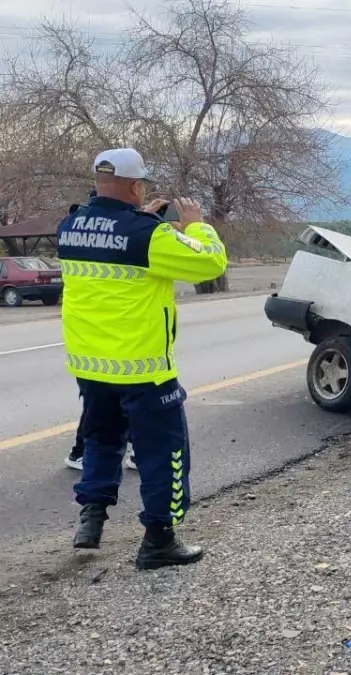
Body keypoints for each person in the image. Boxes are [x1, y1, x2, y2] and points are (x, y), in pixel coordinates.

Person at [58, 148, 227, 569]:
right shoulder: (150, 236)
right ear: (137, 187)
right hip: (143, 370)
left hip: (90, 365)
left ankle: (91, 521)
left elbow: (113, 238)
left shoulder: (69, 227)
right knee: (164, 453)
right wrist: (197, 226)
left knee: (101, 438)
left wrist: (143, 218)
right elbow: (210, 263)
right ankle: (159, 541)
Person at [62, 191, 137, 472]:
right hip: (111, 342)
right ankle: (83, 453)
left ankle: (85, 452)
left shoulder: (74, 230)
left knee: (107, 405)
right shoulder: (120, 236)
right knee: (119, 403)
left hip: (89, 343)